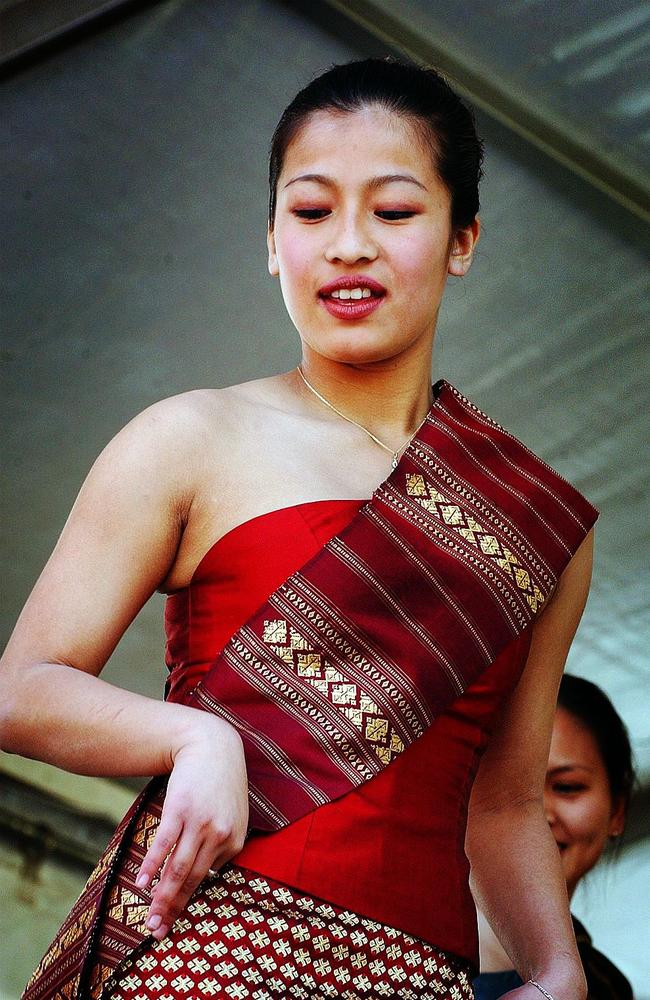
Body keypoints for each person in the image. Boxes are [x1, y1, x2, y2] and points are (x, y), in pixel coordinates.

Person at [0, 58, 599, 1000]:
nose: (349, 244)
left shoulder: (536, 525)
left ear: (462, 239)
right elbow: (22, 689)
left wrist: (557, 966)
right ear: (272, 241)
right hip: (207, 953)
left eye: (395, 213)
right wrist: (197, 742)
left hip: (416, 977)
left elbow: (509, 794)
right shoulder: (190, 437)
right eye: (311, 211)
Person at [473, 674, 636, 1000]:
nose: (537, 816)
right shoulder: (400, 960)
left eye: (566, 787)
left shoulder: (608, 988)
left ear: (617, 811)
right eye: (505, 793)